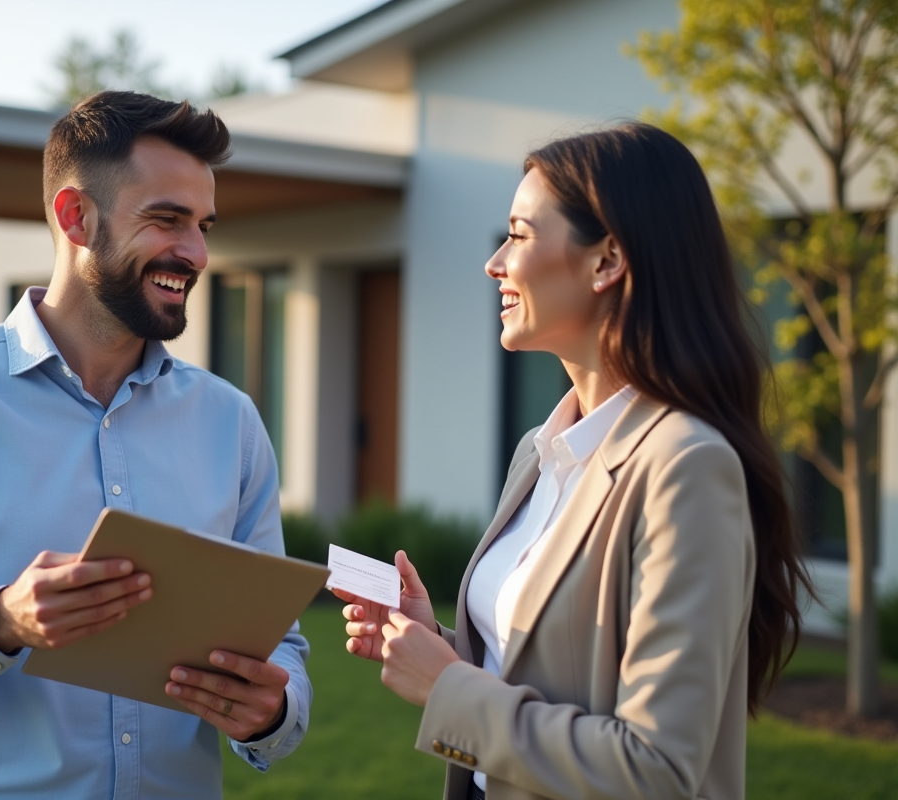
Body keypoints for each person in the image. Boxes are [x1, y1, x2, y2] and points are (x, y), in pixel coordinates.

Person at [0, 91, 311, 800]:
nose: (195, 253)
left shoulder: (231, 422)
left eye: (202, 226)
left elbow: (281, 644)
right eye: (166, 220)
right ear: (76, 217)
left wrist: (273, 712)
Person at [335, 123, 813, 800]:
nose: (494, 263)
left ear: (606, 260)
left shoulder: (686, 466)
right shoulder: (540, 451)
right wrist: (434, 641)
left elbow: (655, 769)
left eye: (519, 235)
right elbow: (546, 668)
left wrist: (446, 686)